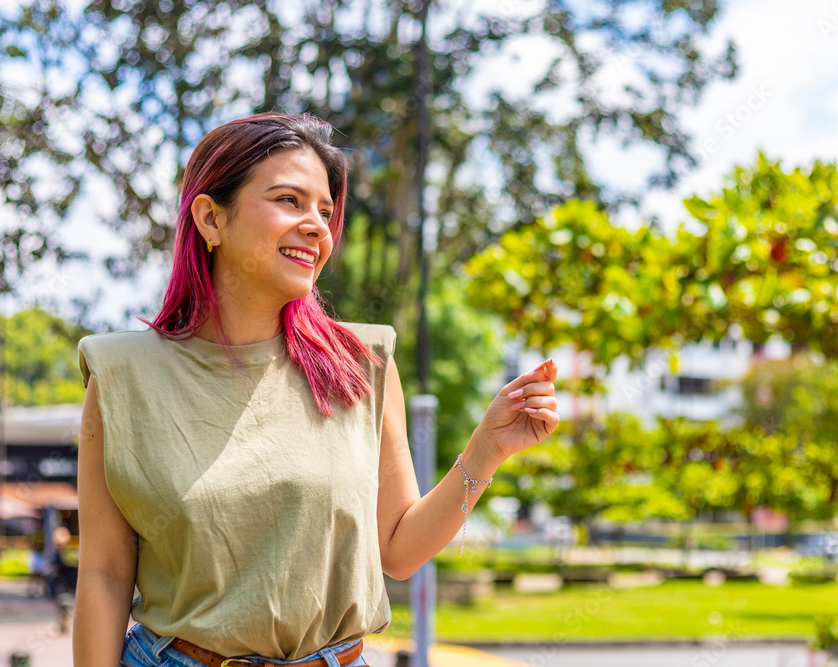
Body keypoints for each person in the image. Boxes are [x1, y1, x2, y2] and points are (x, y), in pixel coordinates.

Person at [72, 112, 559, 667]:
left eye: (325, 211)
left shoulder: (361, 363)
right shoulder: (121, 376)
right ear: (210, 219)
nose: (317, 227)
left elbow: (399, 551)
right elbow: (106, 574)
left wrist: (487, 450)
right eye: (288, 200)